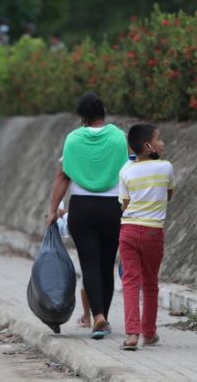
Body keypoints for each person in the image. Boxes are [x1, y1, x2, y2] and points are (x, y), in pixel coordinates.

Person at [46, 92, 128, 339]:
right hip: (112, 208)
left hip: (82, 207)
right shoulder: (119, 137)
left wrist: (53, 210)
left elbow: (63, 176)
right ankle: (104, 317)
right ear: (103, 111)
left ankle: (97, 315)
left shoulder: (73, 139)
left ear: (82, 117)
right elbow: (128, 173)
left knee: (89, 263)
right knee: (106, 264)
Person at [117, 123, 174, 350]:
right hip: (153, 231)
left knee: (130, 282)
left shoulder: (125, 170)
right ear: (148, 145)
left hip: (128, 230)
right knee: (150, 283)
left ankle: (132, 335)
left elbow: (125, 204)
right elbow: (168, 196)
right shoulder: (166, 167)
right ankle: (149, 333)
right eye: (159, 139)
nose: (163, 143)